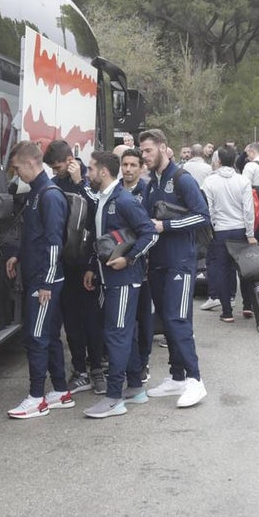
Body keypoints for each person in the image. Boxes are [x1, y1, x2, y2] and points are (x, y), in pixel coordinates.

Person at [80, 151, 159, 418]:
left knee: (117, 334)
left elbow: (149, 234)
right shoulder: (104, 198)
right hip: (108, 279)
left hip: (124, 280)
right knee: (123, 333)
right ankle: (135, 387)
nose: (87, 174)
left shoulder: (123, 200)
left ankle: (114, 397)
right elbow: (101, 239)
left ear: (103, 172)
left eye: (90, 169)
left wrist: (128, 259)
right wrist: (93, 268)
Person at [139, 128, 209, 408]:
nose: (144, 156)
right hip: (157, 263)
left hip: (181, 262)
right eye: (142, 151)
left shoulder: (182, 178)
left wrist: (165, 226)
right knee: (167, 321)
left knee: (178, 320)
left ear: (163, 148)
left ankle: (195, 380)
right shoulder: (150, 182)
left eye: (148, 150)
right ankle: (177, 376)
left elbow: (202, 216)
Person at [4, 141, 73, 419]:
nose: (16, 173)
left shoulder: (49, 195)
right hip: (39, 278)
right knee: (50, 336)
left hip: (45, 282)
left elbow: (55, 243)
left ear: (31, 164)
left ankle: (36, 398)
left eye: (18, 168)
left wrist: (46, 282)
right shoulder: (36, 193)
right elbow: (36, 237)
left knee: (36, 337)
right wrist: (19, 256)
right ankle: (59, 391)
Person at [43, 139, 105, 395]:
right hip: (65, 264)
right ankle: (79, 369)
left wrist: (81, 183)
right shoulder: (54, 184)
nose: (56, 171)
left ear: (70, 160)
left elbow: (97, 210)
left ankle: (98, 368)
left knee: (93, 320)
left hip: (89, 262)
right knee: (72, 321)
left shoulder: (90, 178)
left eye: (58, 166)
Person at [201, 146, 257, 322]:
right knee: (244, 269)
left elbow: (208, 209)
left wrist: (212, 228)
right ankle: (247, 305)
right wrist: (250, 232)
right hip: (240, 228)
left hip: (220, 230)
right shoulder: (243, 181)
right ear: (234, 160)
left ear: (217, 161)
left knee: (223, 270)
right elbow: (248, 209)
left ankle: (227, 311)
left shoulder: (209, 182)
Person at [120, 148, 155, 382]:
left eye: (133, 165)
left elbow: (151, 230)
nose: (129, 169)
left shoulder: (148, 191)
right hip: (119, 265)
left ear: (141, 167)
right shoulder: (114, 190)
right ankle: (126, 362)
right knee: (125, 319)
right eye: (125, 165)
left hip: (144, 263)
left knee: (144, 317)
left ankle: (143, 361)